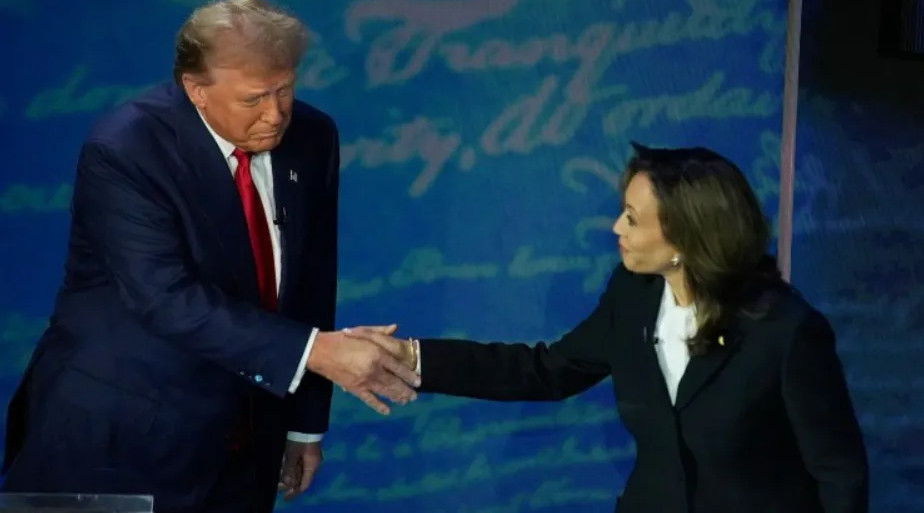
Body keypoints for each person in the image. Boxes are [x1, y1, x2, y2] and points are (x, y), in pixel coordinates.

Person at [1, 0, 420, 512]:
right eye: (253, 99)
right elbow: (165, 298)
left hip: (248, 440)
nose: (275, 115)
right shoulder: (127, 149)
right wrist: (317, 353)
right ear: (195, 90)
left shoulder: (312, 136)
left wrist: (304, 427)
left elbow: (310, 281)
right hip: (121, 437)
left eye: (285, 90)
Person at [346, 143, 870, 513]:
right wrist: (412, 357)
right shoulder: (634, 294)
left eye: (632, 219)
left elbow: (839, 472)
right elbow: (546, 371)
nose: (616, 229)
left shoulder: (786, 331)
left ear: (687, 238)